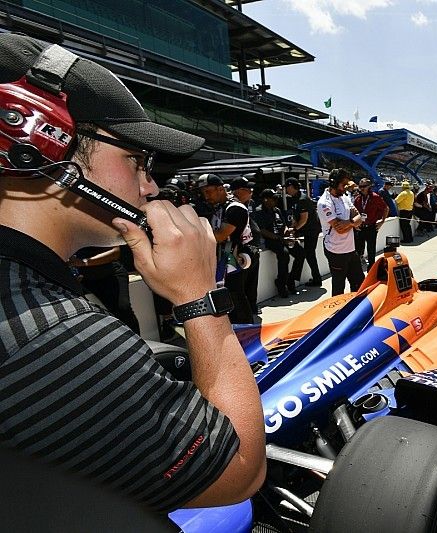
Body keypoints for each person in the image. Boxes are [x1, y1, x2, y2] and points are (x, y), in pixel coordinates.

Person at [0, 34, 265, 513]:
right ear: (36, 142)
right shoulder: (51, 339)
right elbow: (238, 470)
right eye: (136, 160)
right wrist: (200, 296)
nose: (151, 184)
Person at [198, 173, 255, 323]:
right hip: (223, 258)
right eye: (203, 192)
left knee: (236, 296)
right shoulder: (219, 207)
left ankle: (246, 330)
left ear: (220, 189)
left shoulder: (235, 208)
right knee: (228, 296)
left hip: (236, 257)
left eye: (208, 191)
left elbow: (220, 236)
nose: (206, 196)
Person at [69, 246, 140, 334]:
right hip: (84, 279)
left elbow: (115, 253)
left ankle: (137, 342)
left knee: (123, 309)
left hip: (110, 275)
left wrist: (84, 262)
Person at [317, 169, 365, 295]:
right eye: (343, 185)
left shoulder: (344, 197)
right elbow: (340, 230)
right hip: (336, 251)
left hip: (350, 249)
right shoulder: (324, 203)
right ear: (333, 184)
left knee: (360, 284)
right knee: (339, 287)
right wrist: (353, 223)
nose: (345, 188)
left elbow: (359, 217)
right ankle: (337, 313)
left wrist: (348, 223)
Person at [231, 177, 261, 321]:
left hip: (252, 248)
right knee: (238, 290)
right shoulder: (232, 207)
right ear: (238, 191)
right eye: (247, 189)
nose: (251, 192)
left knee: (251, 282)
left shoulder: (250, 203)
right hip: (238, 254)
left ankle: (252, 307)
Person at [251, 189, 291, 298]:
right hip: (269, 240)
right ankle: (281, 284)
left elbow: (284, 224)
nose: (275, 200)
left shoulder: (276, 210)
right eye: (273, 198)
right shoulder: (259, 212)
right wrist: (278, 238)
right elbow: (262, 230)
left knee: (300, 252)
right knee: (284, 254)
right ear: (265, 199)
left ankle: (291, 280)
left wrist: (287, 230)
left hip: (280, 237)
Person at [285, 177, 323, 288]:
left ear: (292, 187)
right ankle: (316, 278)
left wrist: (295, 229)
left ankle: (317, 278)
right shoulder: (295, 199)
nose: (286, 190)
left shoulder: (302, 199)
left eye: (287, 187)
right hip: (306, 230)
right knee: (309, 254)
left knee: (310, 254)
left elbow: (304, 219)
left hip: (311, 230)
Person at [353, 178, 389, 269]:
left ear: (369, 186)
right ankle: (358, 268)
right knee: (358, 249)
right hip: (360, 228)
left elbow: (386, 208)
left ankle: (372, 269)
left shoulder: (375, 197)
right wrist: (355, 224)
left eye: (364, 186)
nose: (361, 188)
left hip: (371, 227)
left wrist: (382, 222)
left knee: (371, 249)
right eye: (360, 186)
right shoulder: (357, 199)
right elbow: (353, 212)